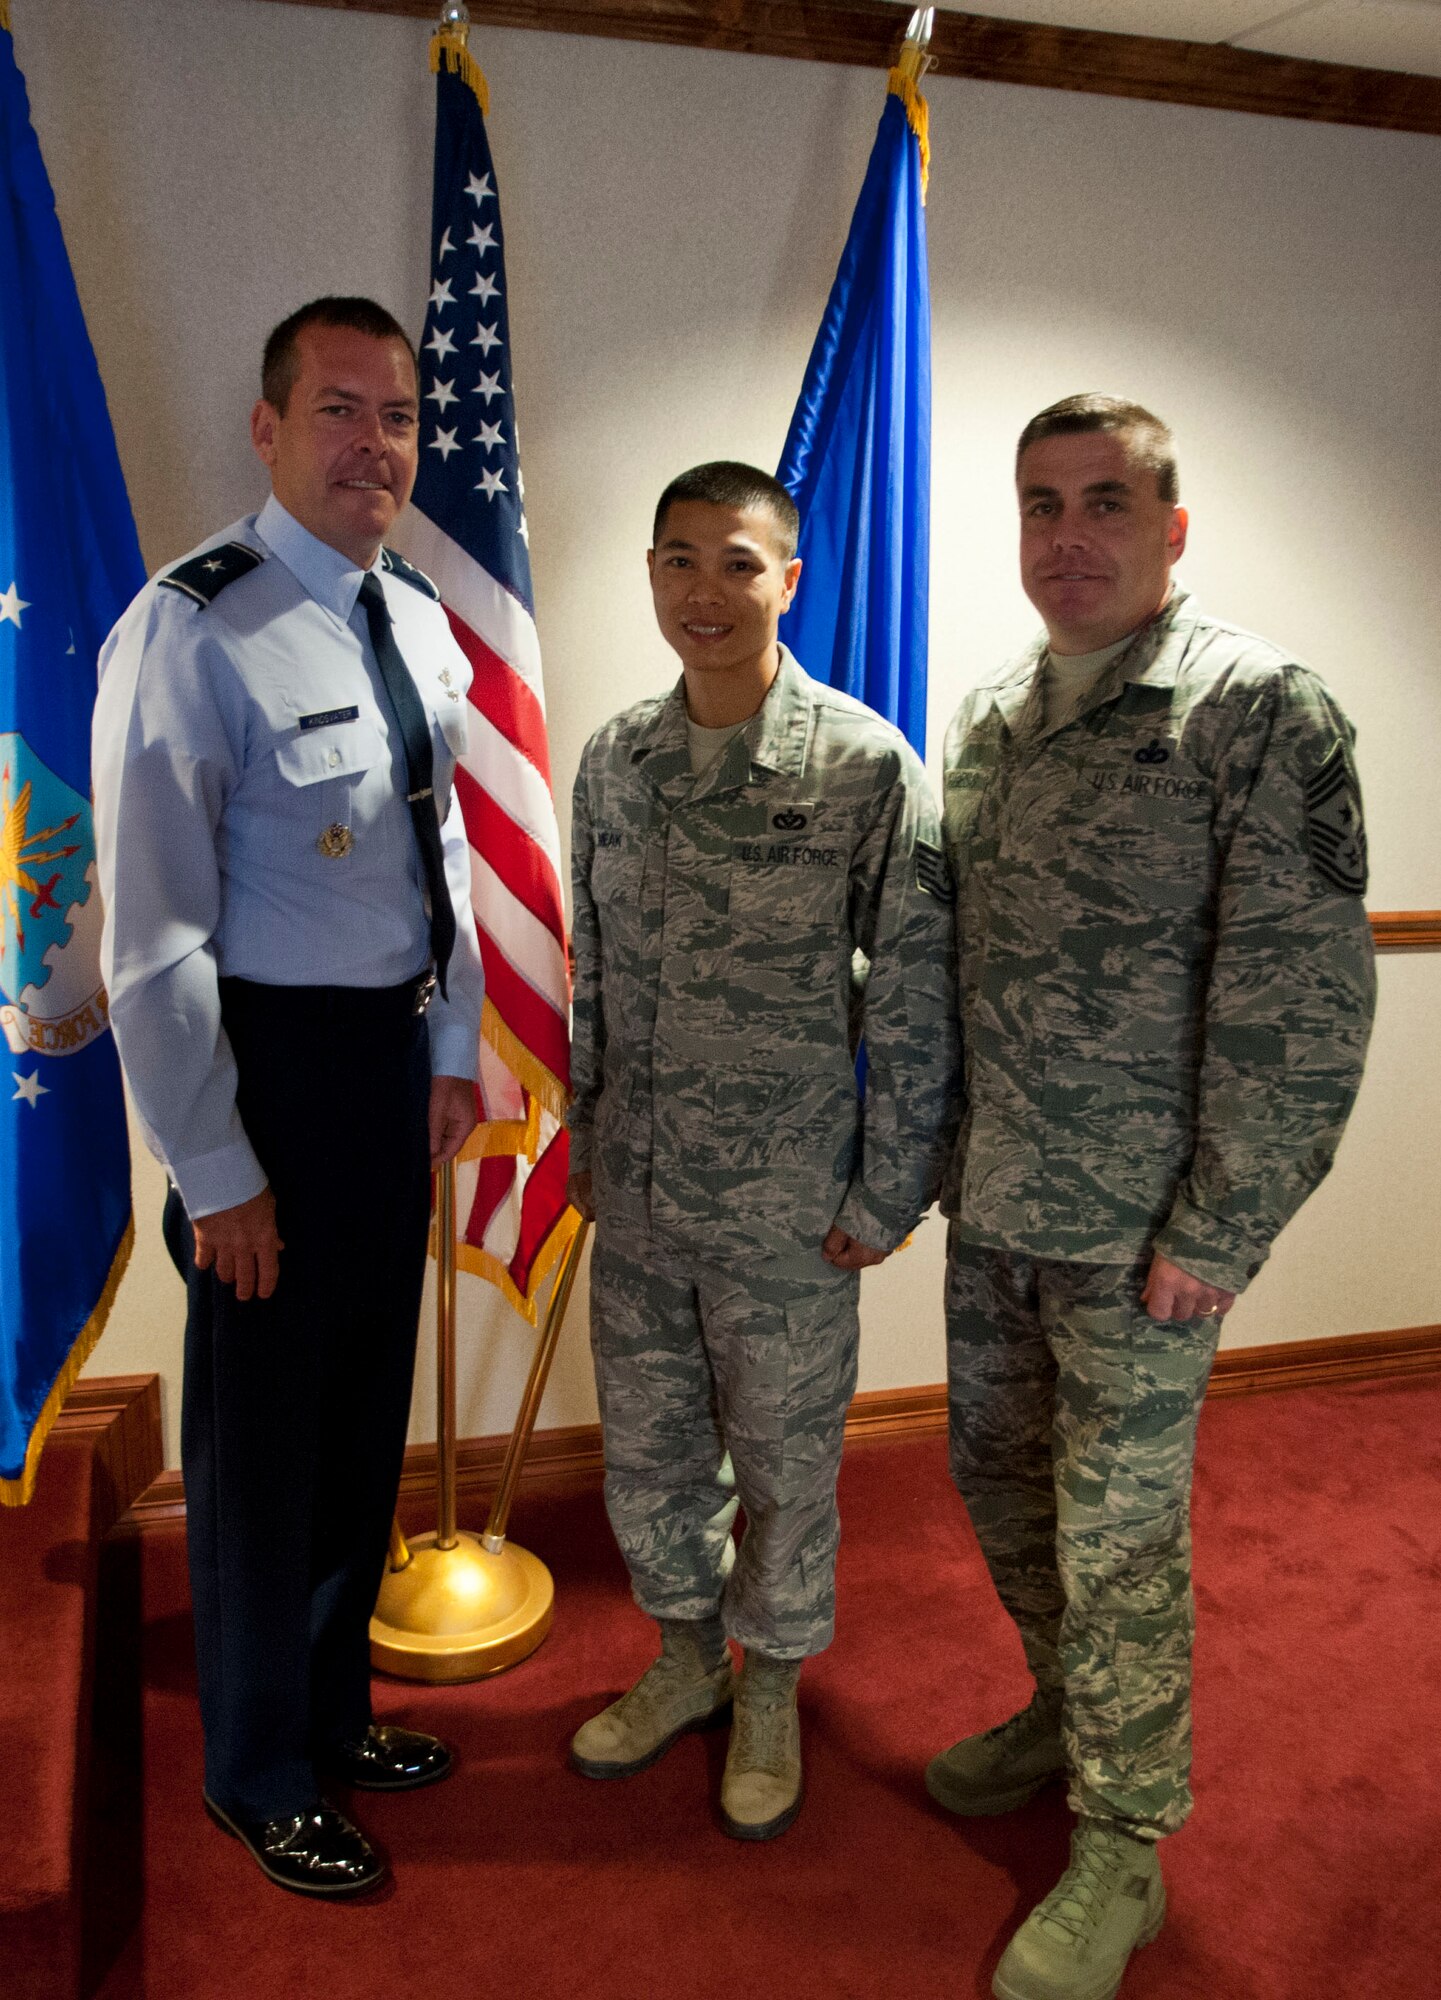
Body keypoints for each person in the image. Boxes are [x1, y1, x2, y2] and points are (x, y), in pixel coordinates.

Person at [930, 394, 1376, 2000]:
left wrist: (1219, 1228)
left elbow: (1300, 998)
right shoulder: (990, 717)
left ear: (1169, 528)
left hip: (1138, 1241)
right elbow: (954, 968)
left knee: (1115, 1539)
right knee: (997, 1485)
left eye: (1104, 502)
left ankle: (1121, 1844)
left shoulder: (1253, 709)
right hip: (997, 1208)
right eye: (1040, 505)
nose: (1068, 537)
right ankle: (1064, 1707)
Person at [91, 297, 485, 1898]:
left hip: (385, 1064)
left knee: (357, 1419)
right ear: (266, 429)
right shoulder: (191, 628)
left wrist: (448, 1055)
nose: (372, 445)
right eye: (337, 409)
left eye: (396, 416)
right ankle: (255, 1769)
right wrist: (215, 1169)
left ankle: (332, 1712)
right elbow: (151, 939)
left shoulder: (418, 616)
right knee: (259, 1446)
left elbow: (440, 855)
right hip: (265, 1077)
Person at [566, 462, 960, 1840]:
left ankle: (774, 1684)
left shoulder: (863, 765)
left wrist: (888, 1189)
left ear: (787, 581)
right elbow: (593, 973)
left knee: (786, 1468)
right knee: (653, 1456)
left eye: (737, 563)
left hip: (788, 1208)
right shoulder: (615, 760)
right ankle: (686, 1662)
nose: (705, 591)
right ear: (652, 575)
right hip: (640, 1194)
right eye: (678, 560)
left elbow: (914, 989)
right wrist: (585, 1147)